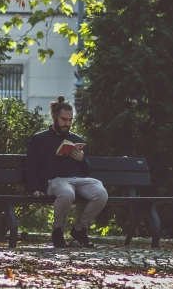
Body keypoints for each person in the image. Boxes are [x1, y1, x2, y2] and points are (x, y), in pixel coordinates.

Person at [26, 95, 108, 248]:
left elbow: (86, 171)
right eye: (64, 120)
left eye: (70, 120)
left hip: (78, 180)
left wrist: (81, 159)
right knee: (67, 193)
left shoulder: (76, 139)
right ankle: (57, 231)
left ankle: (79, 229)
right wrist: (35, 188)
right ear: (54, 117)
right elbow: (31, 166)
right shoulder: (39, 139)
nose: (67, 124)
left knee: (101, 193)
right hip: (56, 181)